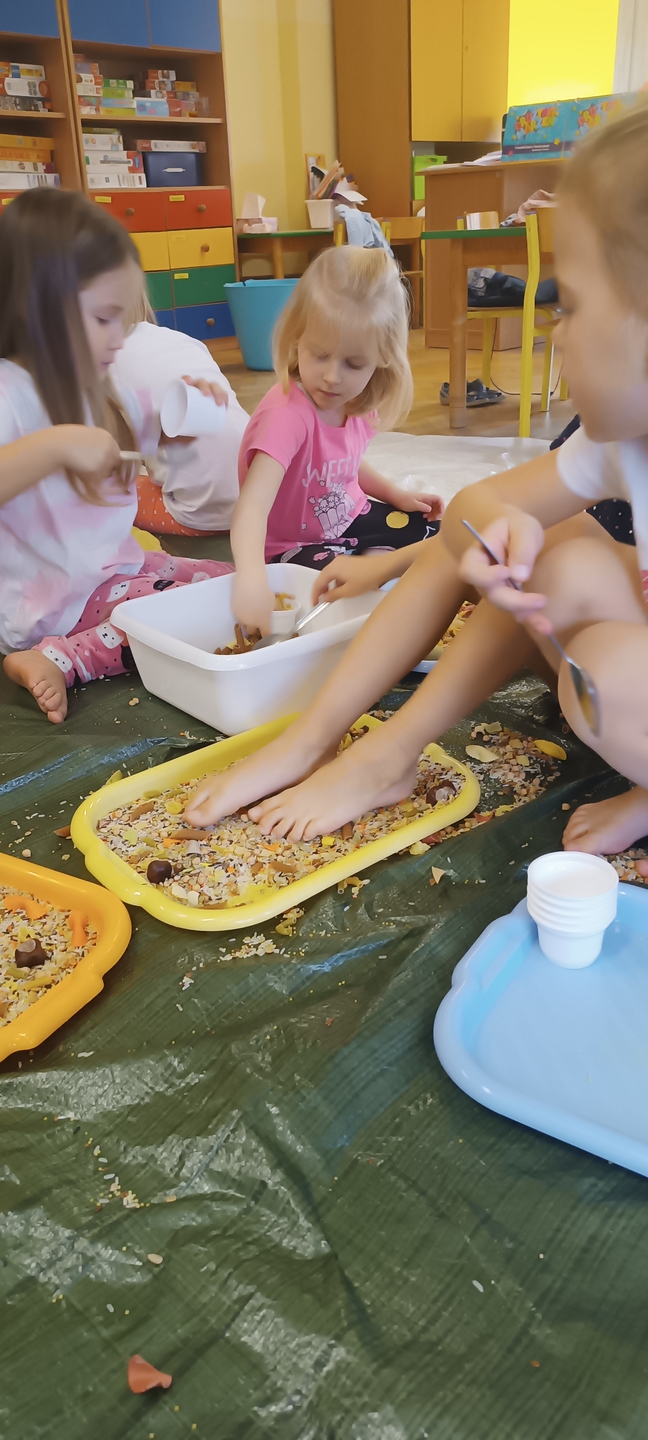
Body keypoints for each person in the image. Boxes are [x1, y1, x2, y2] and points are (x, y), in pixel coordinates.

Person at [186, 101, 648, 853]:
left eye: (570, 303)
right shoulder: (618, 448)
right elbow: (469, 512)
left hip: (626, 681)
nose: (553, 331)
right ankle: (326, 742)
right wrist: (501, 523)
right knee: (551, 547)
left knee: (612, 672)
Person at [0, 188, 232, 725]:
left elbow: (150, 447)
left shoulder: (95, 384)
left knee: (226, 583)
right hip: (52, 603)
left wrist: (186, 421)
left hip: (115, 566)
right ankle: (57, 658)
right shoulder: (9, 393)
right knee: (162, 621)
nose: (118, 338)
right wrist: (56, 445)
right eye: (104, 319)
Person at [228, 245, 443, 636]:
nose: (331, 377)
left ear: (383, 360)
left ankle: (373, 564)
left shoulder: (360, 399)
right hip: (292, 546)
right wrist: (251, 577)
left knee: (437, 534)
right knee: (330, 590)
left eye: (353, 364)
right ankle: (372, 569)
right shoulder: (287, 416)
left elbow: (344, 463)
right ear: (297, 338)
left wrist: (395, 495)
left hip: (349, 519)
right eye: (319, 355)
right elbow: (251, 507)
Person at [114, 294, 249, 536]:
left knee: (102, 487)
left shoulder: (104, 361)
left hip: (203, 516)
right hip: (259, 494)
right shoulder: (183, 340)